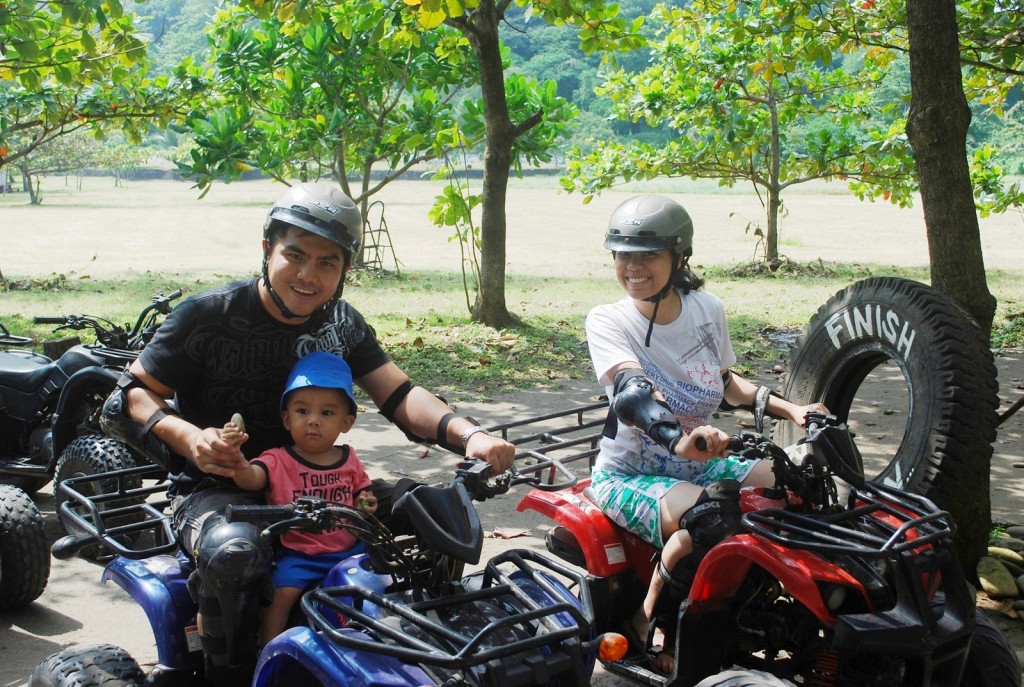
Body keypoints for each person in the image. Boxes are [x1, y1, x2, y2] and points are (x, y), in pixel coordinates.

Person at [101, 182, 515, 686]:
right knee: (233, 552)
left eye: (327, 263)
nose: (307, 275)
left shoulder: (341, 322)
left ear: (343, 272)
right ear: (266, 250)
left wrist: (469, 434)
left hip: (326, 483)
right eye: (294, 255)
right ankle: (232, 674)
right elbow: (131, 394)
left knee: (433, 506)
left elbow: (399, 393)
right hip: (223, 490)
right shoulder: (208, 315)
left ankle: (422, 650)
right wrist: (191, 439)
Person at [585, 194, 827, 674]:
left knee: (799, 482)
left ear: (679, 257)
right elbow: (632, 395)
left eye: (647, 254)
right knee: (712, 518)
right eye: (623, 254)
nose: (632, 267)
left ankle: (770, 609)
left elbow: (723, 382)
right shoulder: (608, 320)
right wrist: (676, 438)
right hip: (631, 471)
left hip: (698, 459)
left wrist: (793, 409)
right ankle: (649, 617)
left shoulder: (706, 309)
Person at [225, 351, 378, 644]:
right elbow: (251, 478)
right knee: (281, 598)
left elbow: (362, 493)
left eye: (327, 413)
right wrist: (236, 460)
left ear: (347, 423)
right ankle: (268, 651)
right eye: (302, 411)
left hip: (349, 550)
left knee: (378, 588)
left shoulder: (349, 458)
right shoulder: (277, 459)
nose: (313, 421)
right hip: (299, 553)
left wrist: (367, 503)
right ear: (286, 419)